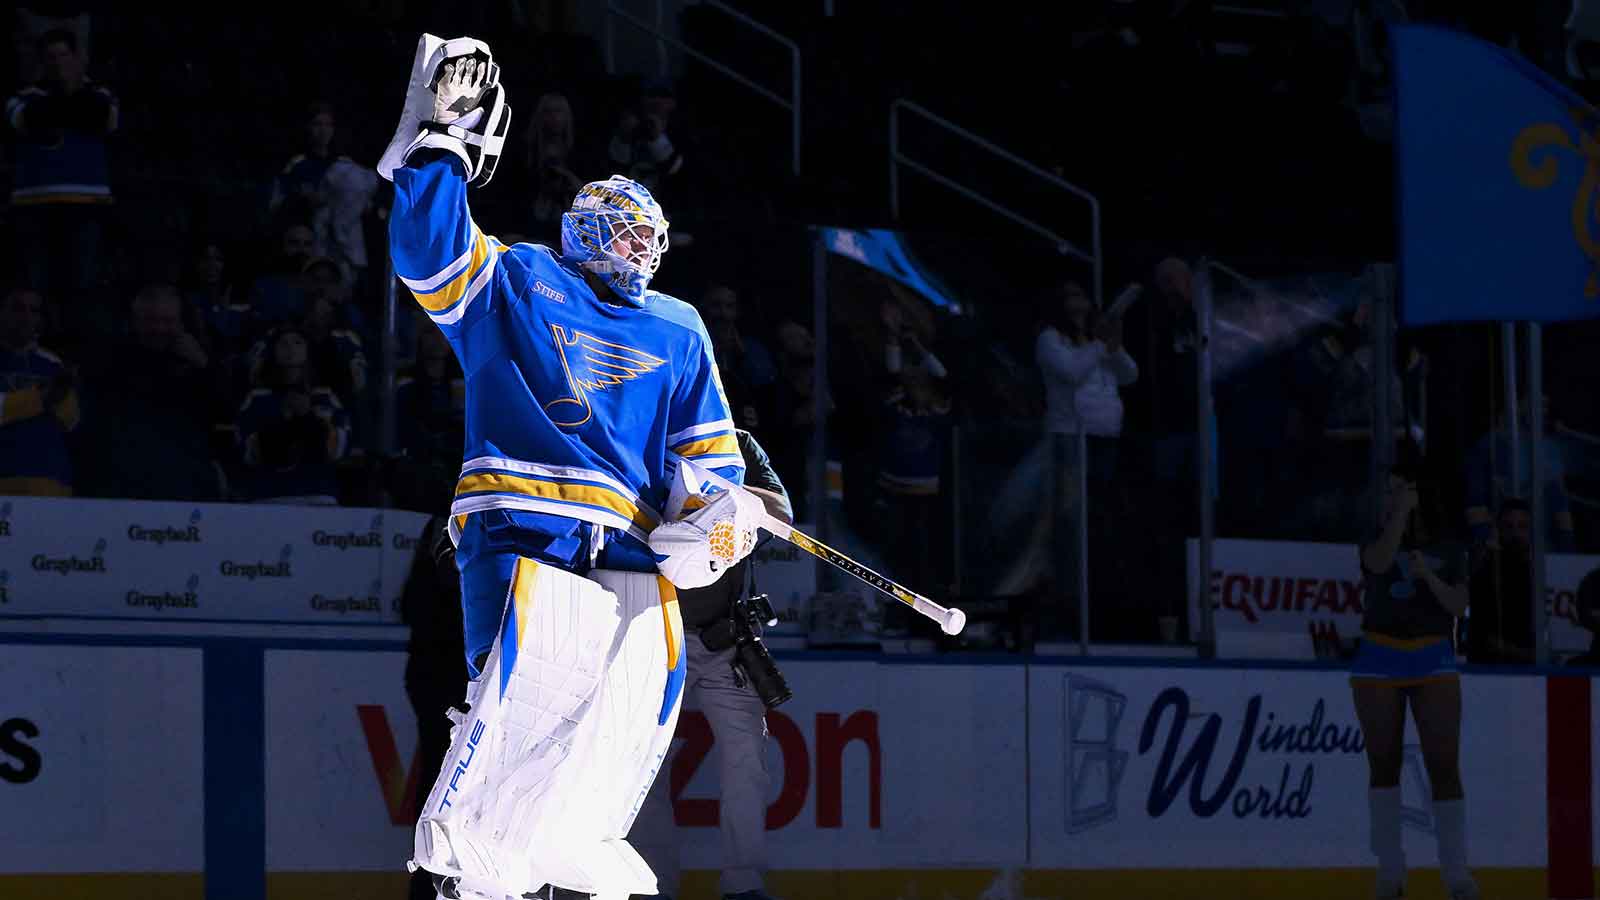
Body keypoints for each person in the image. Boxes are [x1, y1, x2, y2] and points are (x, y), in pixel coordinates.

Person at [377, 35, 761, 900]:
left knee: (617, 736)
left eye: (646, 232)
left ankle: (552, 879)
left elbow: (710, 457)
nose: (636, 244)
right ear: (582, 227)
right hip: (520, 526)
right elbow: (429, 256)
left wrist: (719, 521)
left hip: (629, 551)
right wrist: (439, 145)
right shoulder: (520, 277)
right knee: (516, 713)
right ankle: (470, 878)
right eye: (620, 229)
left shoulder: (679, 324)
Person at [631, 428, 792, 900]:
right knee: (646, 763)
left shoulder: (737, 442)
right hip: (655, 631)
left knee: (747, 757)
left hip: (726, 636)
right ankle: (655, 886)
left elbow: (781, 514)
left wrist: (717, 487)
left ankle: (744, 883)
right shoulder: (650, 434)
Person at [1350, 461, 1479, 900]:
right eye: (1389, 492)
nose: (1393, 497)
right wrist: (1400, 516)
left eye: (1401, 490)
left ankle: (1456, 871)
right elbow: (1379, 561)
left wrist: (1432, 578)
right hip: (1379, 654)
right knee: (1383, 764)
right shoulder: (1374, 536)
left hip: (1433, 654)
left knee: (1444, 763)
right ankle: (1390, 870)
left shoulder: (1450, 545)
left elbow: (1460, 605)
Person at [1465, 498, 1535, 665]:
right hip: (1495, 671)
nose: (1516, 533)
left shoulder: (1540, 571)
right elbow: (1482, 637)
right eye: (1509, 526)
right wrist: (1528, 655)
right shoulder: (1487, 572)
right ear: (1499, 529)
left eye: (1523, 526)